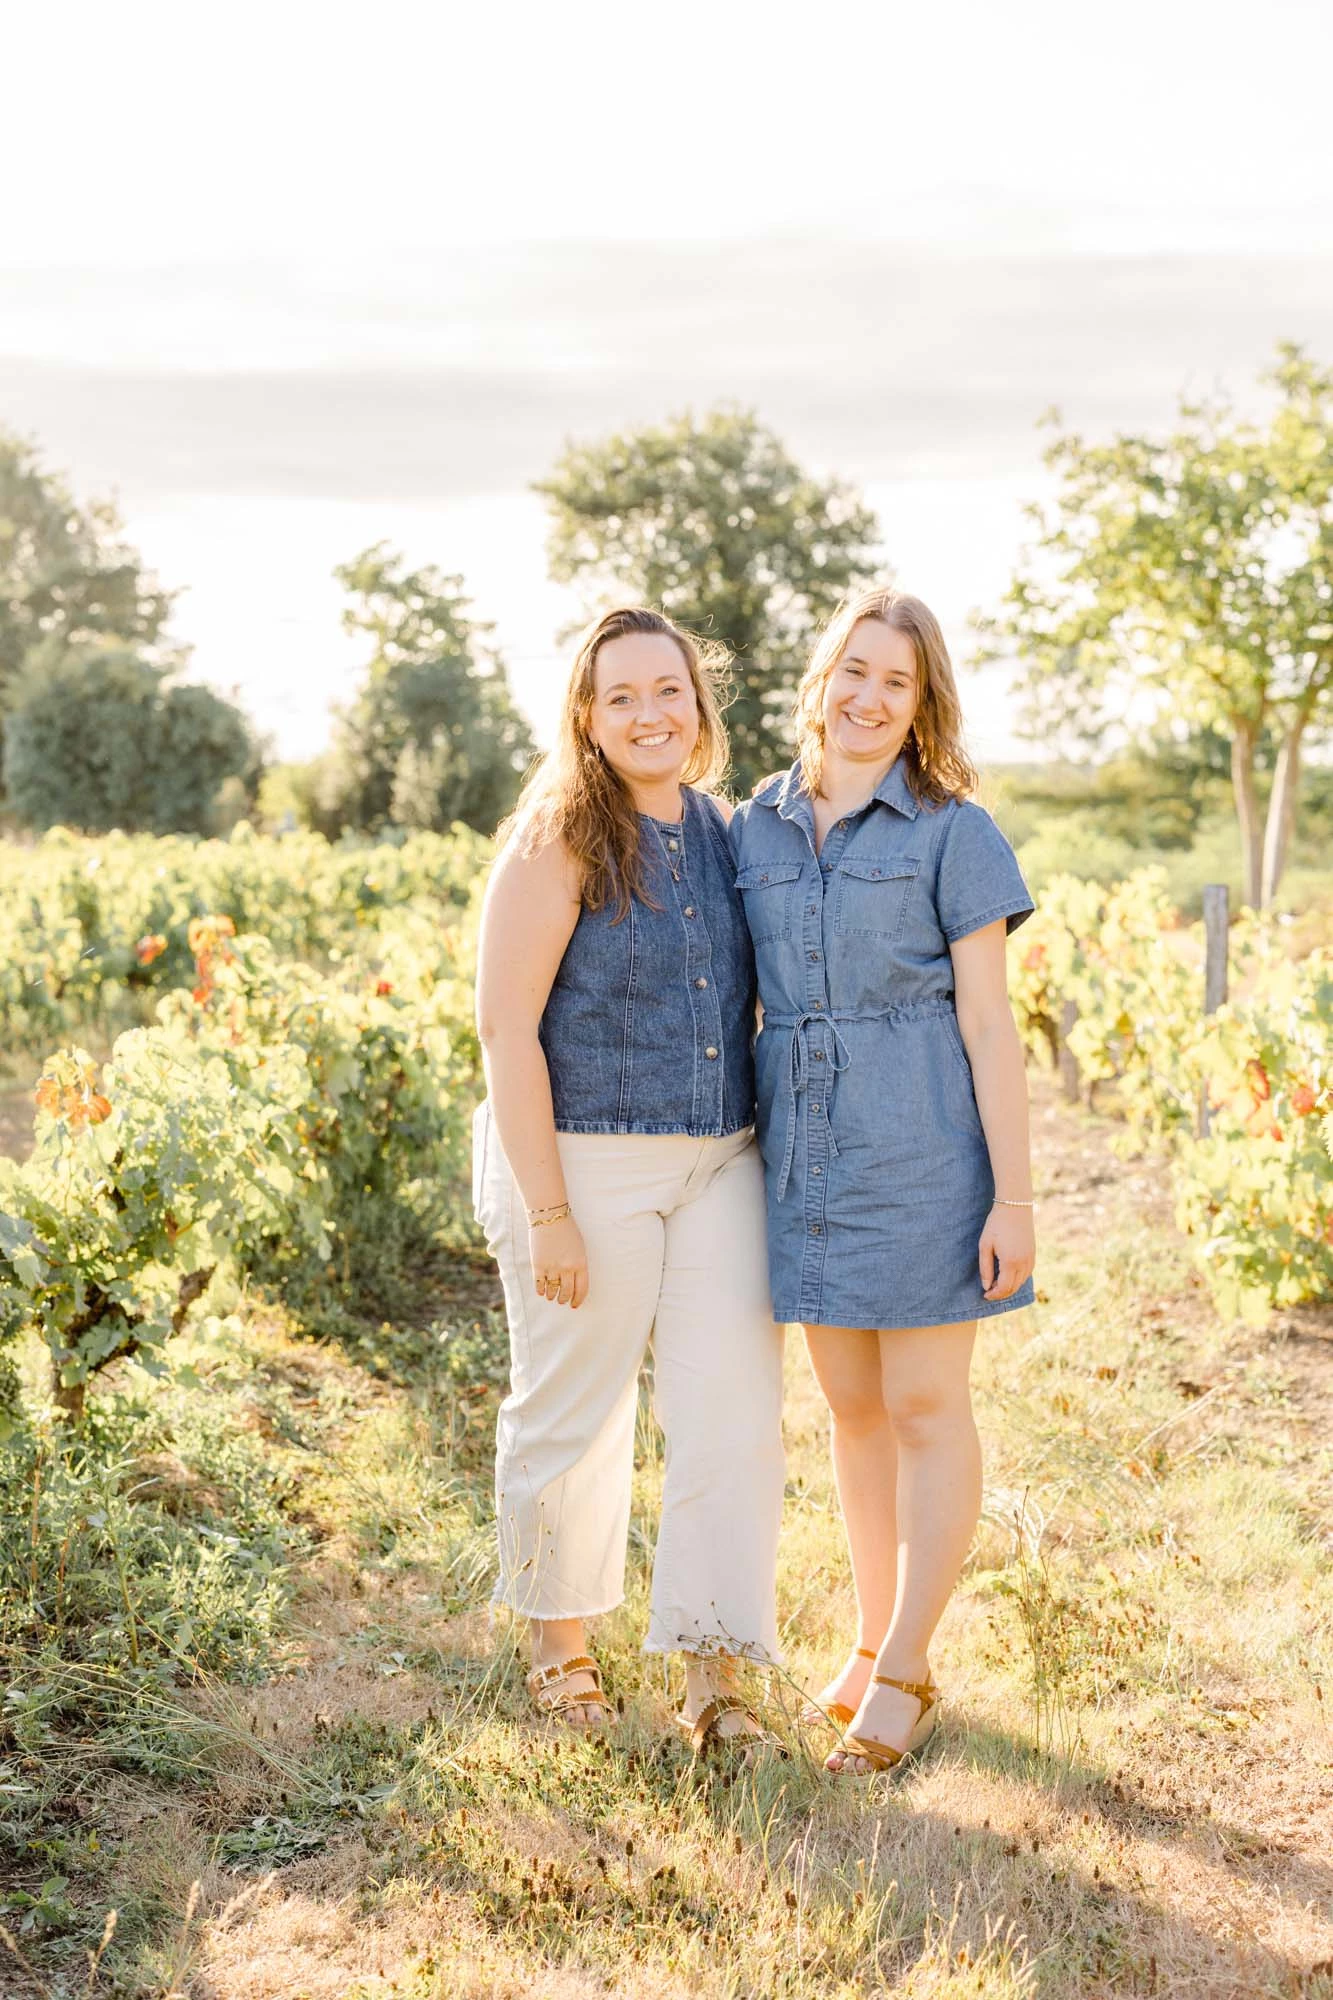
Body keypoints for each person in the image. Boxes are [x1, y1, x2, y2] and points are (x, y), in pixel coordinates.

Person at [729, 586, 1036, 1776]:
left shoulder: (954, 832)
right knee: (851, 1412)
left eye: (895, 682)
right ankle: (867, 1640)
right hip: (803, 1150)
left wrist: (1013, 1197)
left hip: (919, 1148)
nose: (866, 697)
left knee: (921, 1406)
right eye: (852, 670)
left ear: (921, 706)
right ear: (820, 677)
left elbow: (990, 1024)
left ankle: (908, 1663)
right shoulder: (751, 826)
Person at [473, 605, 785, 1748]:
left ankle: (715, 1672)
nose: (649, 712)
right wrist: (548, 1211)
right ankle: (560, 1651)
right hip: (586, 1163)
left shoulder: (723, 828)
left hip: (719, 1160)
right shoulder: (557, 835)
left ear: (699, 704)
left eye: (670, 690)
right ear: (587, 716)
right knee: (576, 1409)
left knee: (734, 1415)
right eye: (622, 696)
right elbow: (507, 1029)